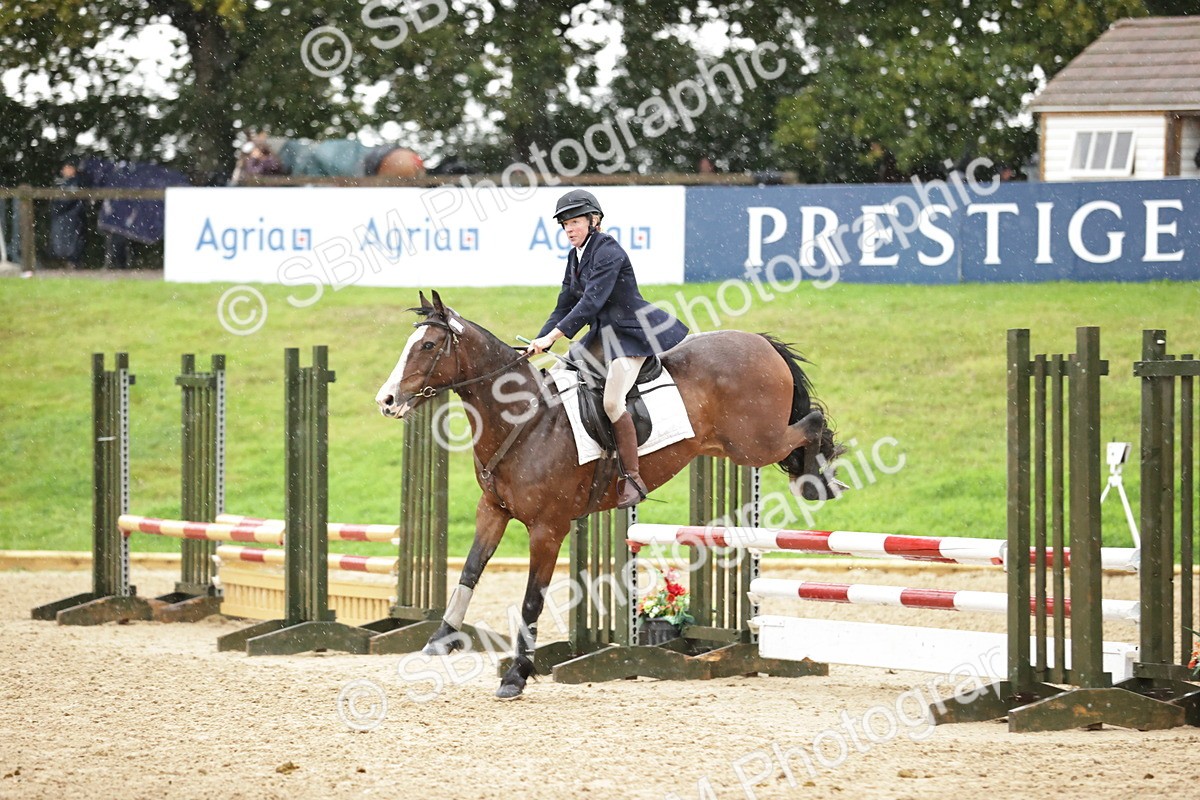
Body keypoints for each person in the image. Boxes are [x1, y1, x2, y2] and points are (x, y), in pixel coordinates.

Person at [526, 190, 689, 508]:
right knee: (559, 373)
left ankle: (632, 477)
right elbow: (564, 305)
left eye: (574, 222)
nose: (569, 230)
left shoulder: (608, 251)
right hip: (603, 335)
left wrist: (553, 338)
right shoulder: (576, 256)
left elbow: (590, 303)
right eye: (564, 225)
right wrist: (539, 340)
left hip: (632, 334)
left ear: (593, 220)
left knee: (613, 401)